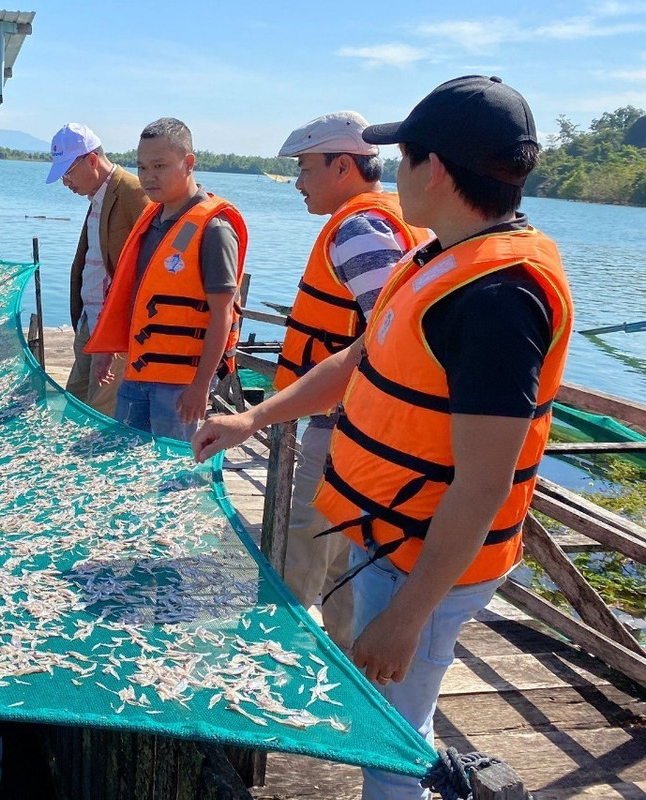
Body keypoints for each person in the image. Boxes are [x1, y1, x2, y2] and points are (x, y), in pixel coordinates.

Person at [192, 76, 572, 800]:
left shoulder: (499, 296)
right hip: (383, 538)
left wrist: (407, 615)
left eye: (402, 157)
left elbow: (485, 482)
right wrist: (255, 417)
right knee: (386, 725)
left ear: (433, 169)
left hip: (422, 564)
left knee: (394, 743)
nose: (393, 173)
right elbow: (356, 359)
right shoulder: (438, 258)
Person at [273, 111, 430, 648]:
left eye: (306, 168)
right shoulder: (396, 218)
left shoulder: (359, 228)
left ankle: (275, 656)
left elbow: (396, 332)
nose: (298, 182)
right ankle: (344, 671)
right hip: (364, 430)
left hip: (346, 430)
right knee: (346, 560)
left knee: (302, 548)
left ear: (344, 166)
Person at [85, 117, 247, 442]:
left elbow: (222, 314)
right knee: (125, 463)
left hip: (180, 385)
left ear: (188, 163)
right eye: (142, 167)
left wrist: (201, 387)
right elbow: (134, 295)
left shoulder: (214, 229)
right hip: (137, 372)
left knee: (173, 476)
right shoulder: (151, 219)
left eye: (159, 165)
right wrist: (108, 350)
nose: (148, 176)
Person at [46, 123, 150, 417]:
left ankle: (88, 463)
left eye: (68, 173)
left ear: (91, 160)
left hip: (112, 329)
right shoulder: (98, 197)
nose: (66, 182)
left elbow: (143, 273)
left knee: (98, 415)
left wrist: (115, 336)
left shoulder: (134, 193)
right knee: (75, 405)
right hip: (89, 321)